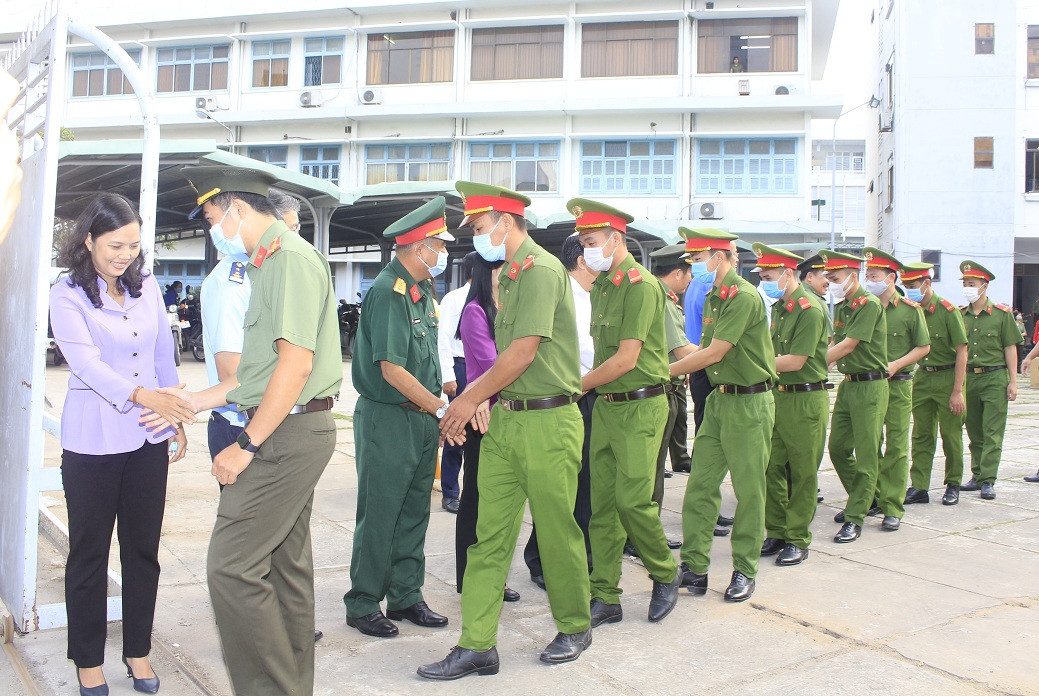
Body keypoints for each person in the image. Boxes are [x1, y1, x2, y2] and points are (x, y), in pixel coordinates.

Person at [168, 166, 342, 695]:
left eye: (215, 219)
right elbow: (259, 373)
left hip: (283, 435)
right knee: (284, 569)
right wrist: (195, 401)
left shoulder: (286, 259)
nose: (214, 231)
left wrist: (246, 444)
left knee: (231, 569)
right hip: (291, 426)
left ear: (240, 210)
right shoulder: (269, 263)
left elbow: (294, 365)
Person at [419, 182, 591, 679]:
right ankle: (477, 644)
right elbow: (497, 357)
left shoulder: (539, 269)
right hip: (505, 420)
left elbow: (522, 352)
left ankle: (576, 625)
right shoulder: (510, 275)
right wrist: (481, 401)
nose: (476, 237)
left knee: (557, 530)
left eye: (478, 227)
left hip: (548, 420)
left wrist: (468, 398)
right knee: (487, 536)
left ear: (504, 221)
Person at [50, 192, 191, 696]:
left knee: (142, 551)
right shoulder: (66, 293)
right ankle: (88, 660)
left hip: (146, 434)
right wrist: (141, 395)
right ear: (88, 240)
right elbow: (85, 364)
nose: (124, 255)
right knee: (88, 553)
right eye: (114, 245)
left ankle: (138, 651)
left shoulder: (145, 285)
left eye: (133, 245)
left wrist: (173, 413)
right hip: (91, 439)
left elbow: (161, 353)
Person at [344, 197, 453, 638]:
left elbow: (426, 358)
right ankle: (364, 601)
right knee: (381, 512)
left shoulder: (422, 290)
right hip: (388, 419)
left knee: (413, 511)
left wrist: (442, 395)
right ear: (418, 245)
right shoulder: (389, 292)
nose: (445, 253)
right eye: (440, 245)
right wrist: (441, 408)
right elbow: (391, 369)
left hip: (420, 418)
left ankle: (406, 595)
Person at [571, 198, 681, 629]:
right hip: (608, 407)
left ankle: (665, 573)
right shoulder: (602, 286)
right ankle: (605, 595)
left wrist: (572, 388)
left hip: (640, 404)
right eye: (582, 242)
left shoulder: (639, 285)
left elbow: (625, 359)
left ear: (616, 239)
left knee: (633, 501)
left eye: (592, 241)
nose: (586, 251)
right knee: (602, 507)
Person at [669, 228, 777, 602]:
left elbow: (715, 352)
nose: (694, 266)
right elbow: (702, 348)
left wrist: (664, 371)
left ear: (720, 256)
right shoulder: (715, 295)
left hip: (750, 403)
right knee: (700, 486)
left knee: (749, 491)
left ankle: (744, 569)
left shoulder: (742, 296)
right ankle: (695, 567)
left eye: (698, 259)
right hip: (719, 400)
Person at [524, 234, 597, 589]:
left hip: (585, 393)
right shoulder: (569, 294)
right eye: (598, 247)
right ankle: (543, 561)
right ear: (582, 260)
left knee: (580, 485)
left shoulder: (588, 294)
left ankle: (570, 555)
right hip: (572, 395)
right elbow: (584, 350)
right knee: (565, 487)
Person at [754, 244, 829, 567]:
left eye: (769, 276)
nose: (764, 282)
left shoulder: (809, 309)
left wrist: (753, 362)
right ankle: (778, 530)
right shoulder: (781, 307)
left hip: (805, 398)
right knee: (772, 467)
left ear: (787, 274)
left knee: (802, 472)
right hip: (779, 396)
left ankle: (798, 537)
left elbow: (797, 360)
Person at [453, 251, 520, 605]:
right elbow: (494, 364)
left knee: (501, 504)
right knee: (476, 500)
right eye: (500, 267)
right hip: (483, 417)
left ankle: (494, 575)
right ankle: (468, 576)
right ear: (486, 272)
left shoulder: (510, 308)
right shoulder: (475, 312)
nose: (507, 272)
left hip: (506, 413)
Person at [821, 250, 888, 544]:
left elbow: (848, 345)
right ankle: (868, 498)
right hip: (849, 385)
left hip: (871, 386)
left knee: (867, 455)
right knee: (838, 448)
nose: (832, 284)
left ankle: (855, 516)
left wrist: (813, 364)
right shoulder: (845, 306)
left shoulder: (868, 304)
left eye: (835, 278)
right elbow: (835, 341)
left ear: (851, 274)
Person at [861, 249, 930, 531]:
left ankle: (893, 506)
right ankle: (873, 496)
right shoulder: (863, 306)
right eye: (867, 275)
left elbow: (924, 346)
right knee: (869, 443)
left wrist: (898, 363)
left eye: (873, 275)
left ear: (890, 278)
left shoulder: (909, 311)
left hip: (898, 384)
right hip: (867, 385)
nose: (868, 280)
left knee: (897, 446)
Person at [900, 262, 968, 506]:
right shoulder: (911, 310)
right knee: (921, 434)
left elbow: (962, 350)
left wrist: (957, 391)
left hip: (948, 377)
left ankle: (953, 483)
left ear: (926, 283)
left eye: (913, 285)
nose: (909, 290)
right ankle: (919, 486)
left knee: (950, 434)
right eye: (905, 286)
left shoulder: (947, 311)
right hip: (923, 377)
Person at [958, 260, 1019, 500]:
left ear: (984, 286)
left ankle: (988, 479)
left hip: (994, 377)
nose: (967, 287)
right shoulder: (961, 315)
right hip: (969, 379)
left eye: (971, 283)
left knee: (992, 431)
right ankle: (976, 475)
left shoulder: (1001, 315)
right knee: (973, 431)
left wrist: (1013, 381)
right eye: (964, 283)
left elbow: (1010, 348)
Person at [648, 243, 695, 539]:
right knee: (652, 468)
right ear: (678, 273)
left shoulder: (663, 297)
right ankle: (647, 534)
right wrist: (721, 354)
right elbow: (680, 349)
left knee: (654, 464)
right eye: (689, 274)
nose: (690, 281)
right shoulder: (663, 301)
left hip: (667, 386)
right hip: (660, 389)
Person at [438, 256, 474, 513]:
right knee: (456, 432)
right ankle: (450, 492)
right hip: (461, 368)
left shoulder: (499, 296)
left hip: (486, 370)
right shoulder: (454, 298)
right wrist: (448, 375)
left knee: (481, 435)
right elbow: (444, 338)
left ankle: (476, 491)